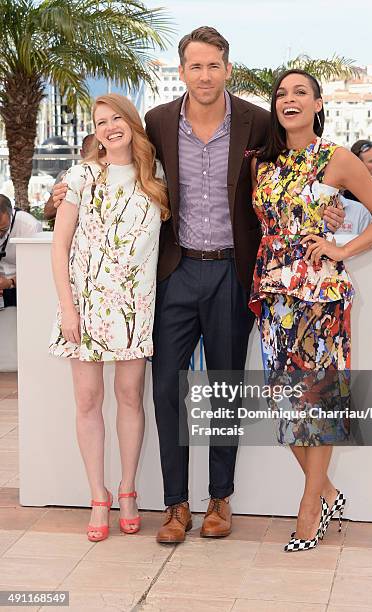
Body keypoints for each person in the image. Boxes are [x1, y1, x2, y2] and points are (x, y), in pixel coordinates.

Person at [52, 26, 345, 545]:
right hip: (175, 272)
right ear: (182, 70)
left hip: (234, 272)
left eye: (213, 66)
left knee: (224, 389)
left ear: (227, 69)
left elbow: (296, 170)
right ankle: (175, 505)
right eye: (195, 66)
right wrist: (70, 182)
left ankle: (220, 499)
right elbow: (122, 155)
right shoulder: (161, 120)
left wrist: (330, 213)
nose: (204, 75)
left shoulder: (257, 122)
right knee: (167, 390)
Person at [249, 69, 372, 552]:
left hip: (319, 298)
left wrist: (343, 249)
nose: (288, 100)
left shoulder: (335, 157)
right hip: (274, 296)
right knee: (283, 400)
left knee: (318, 400)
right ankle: (329, 492)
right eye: (281, 94)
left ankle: (309, 506)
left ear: (317, 103)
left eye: (300, 93)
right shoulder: (263, 162)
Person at [49, 93, 168, 541]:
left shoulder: (155, 177)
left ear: (132, 123)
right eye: (101, 121)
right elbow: (60, 246)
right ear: (95, 131)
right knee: (87, 401)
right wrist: (66, 307)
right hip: (84, 305)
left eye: (117, 118)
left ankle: (129, 489)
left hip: (135, 306)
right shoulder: (80, 175)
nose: (110, 127)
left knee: (131, 396)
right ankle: (98, 496)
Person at [0, 194, 42, 308]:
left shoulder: (30, 226)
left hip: (23, 288)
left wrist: (10, 283)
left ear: (11, 213)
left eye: (3, 229)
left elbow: (37, 271)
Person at [44, 134, 95, 221]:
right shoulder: (69, 176)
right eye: (90, 153)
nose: (95, 157)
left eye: (99, 152)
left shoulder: (112, 175)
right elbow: (48, 212)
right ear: (82, 153)